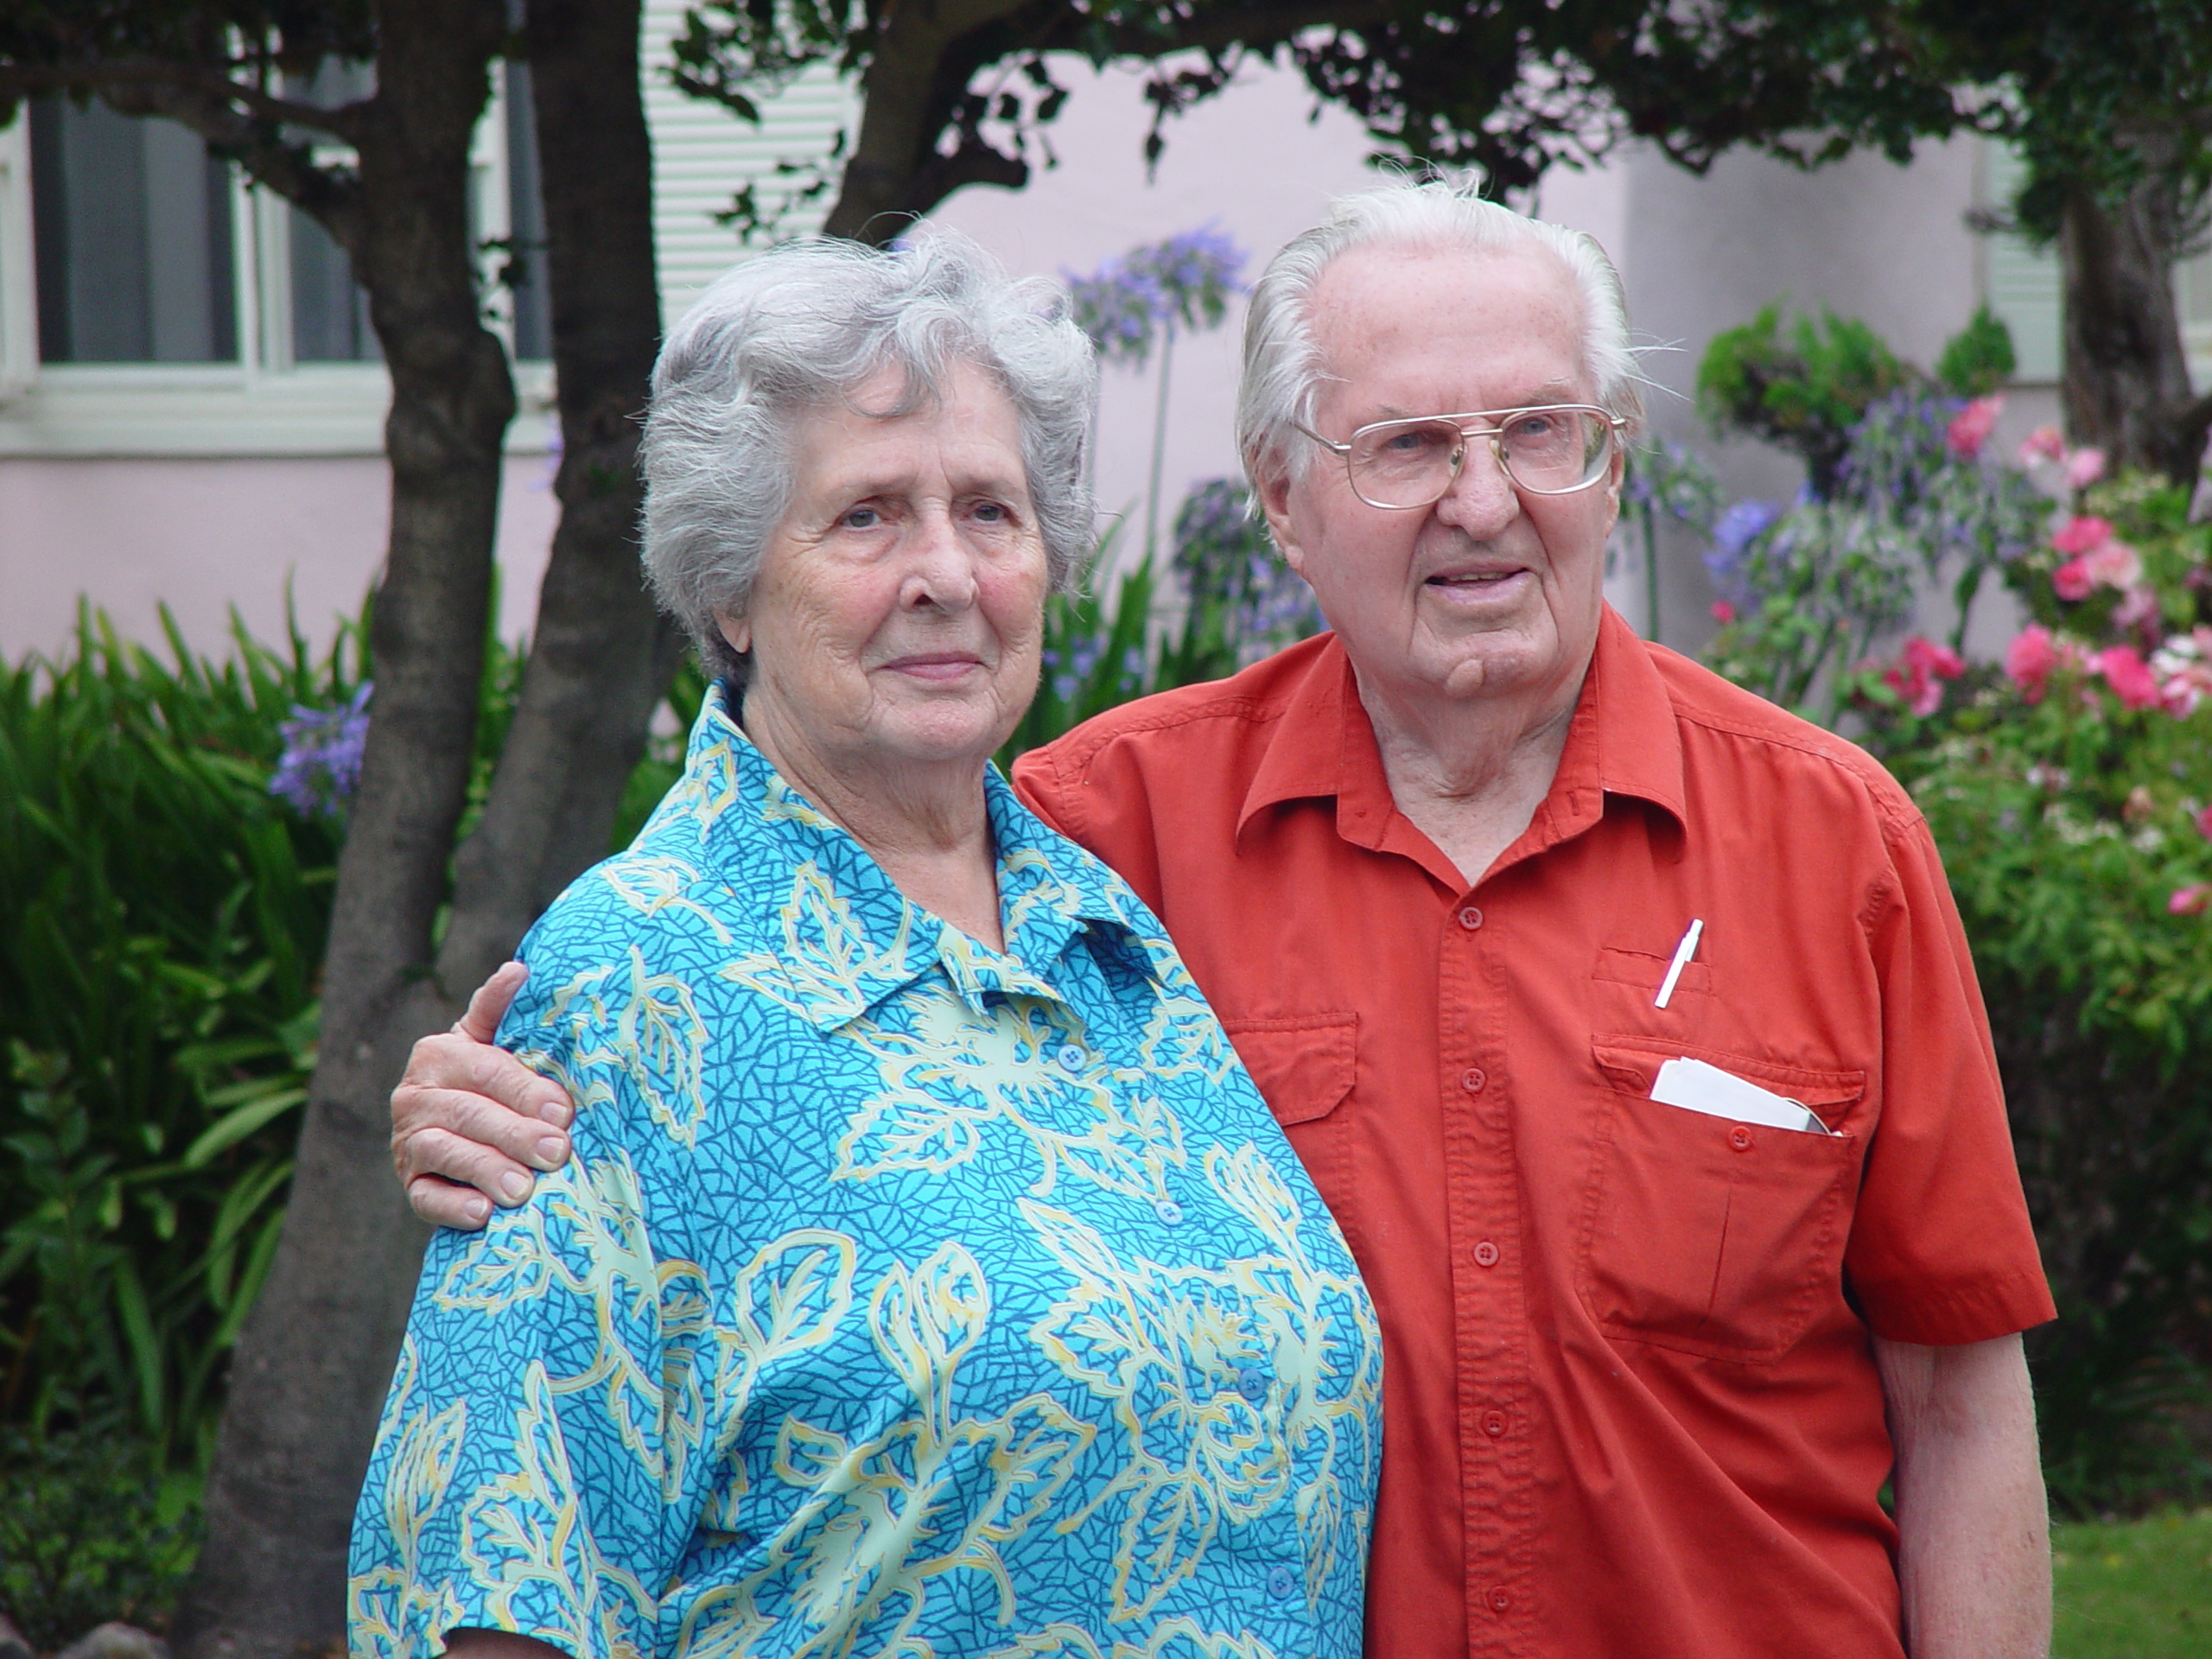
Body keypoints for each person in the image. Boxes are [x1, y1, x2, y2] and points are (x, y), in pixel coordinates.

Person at [394, 183, 2056, 1659]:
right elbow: (768, 925)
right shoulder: (1102, 847)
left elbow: (1961, 1392)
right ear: (1279, 495)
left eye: (1542, 430)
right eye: (1405, 445)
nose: (1485, 501)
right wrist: (503, 1082)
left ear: (1612, 456)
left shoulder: (1834, 843)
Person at [349, 235, 1382, 1659]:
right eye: (868, 517)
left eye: (990, 512)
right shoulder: (638, 980)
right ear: (728, 586)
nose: (946, 574)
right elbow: (499, 1585)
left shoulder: (1110, 938)